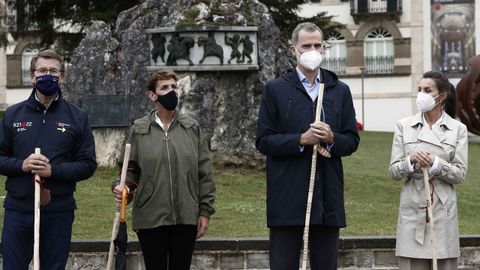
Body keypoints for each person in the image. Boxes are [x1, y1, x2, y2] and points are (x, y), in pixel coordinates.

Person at [255, 22, 360, 270]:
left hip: (327, 202)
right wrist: (301, 140)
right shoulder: (275, 90)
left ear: (324, 48)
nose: (312, 50)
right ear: (294, 50)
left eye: (317, 45)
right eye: (306, 46)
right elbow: (264, 141)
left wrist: (332, 138)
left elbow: (352, 141)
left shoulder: (339, 90)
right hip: (287, 200)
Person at [0, 49, 97, 269]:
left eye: (53, 71)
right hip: (19, 209)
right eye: (42, 70)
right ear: (32, 76)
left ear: (61, 76)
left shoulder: (77, 117)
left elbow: (88, 164)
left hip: (58, 211)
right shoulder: (13, 115)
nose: (48, 75)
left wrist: (53, 171)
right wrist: (22, 165)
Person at [112, 70, 216, 270]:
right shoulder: (139, 130)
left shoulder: (191, 128)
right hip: (150, 217)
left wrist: (205, 211)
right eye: (165, 87)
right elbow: (129, 169)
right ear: (152, 95)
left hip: (186, 215)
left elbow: (205, 173)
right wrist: (122, 187)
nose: (171, 91)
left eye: (174, 87)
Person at [389, 71, 467, 270]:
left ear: (442, 96)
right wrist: (411, 161)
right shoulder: (404, 126)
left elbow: (459, 174)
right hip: (412, 207)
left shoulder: (458, 129)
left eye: (427, 90)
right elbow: (393, 172)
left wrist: (435, 163)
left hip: (443, 209)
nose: (421, 95)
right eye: (419, 90)